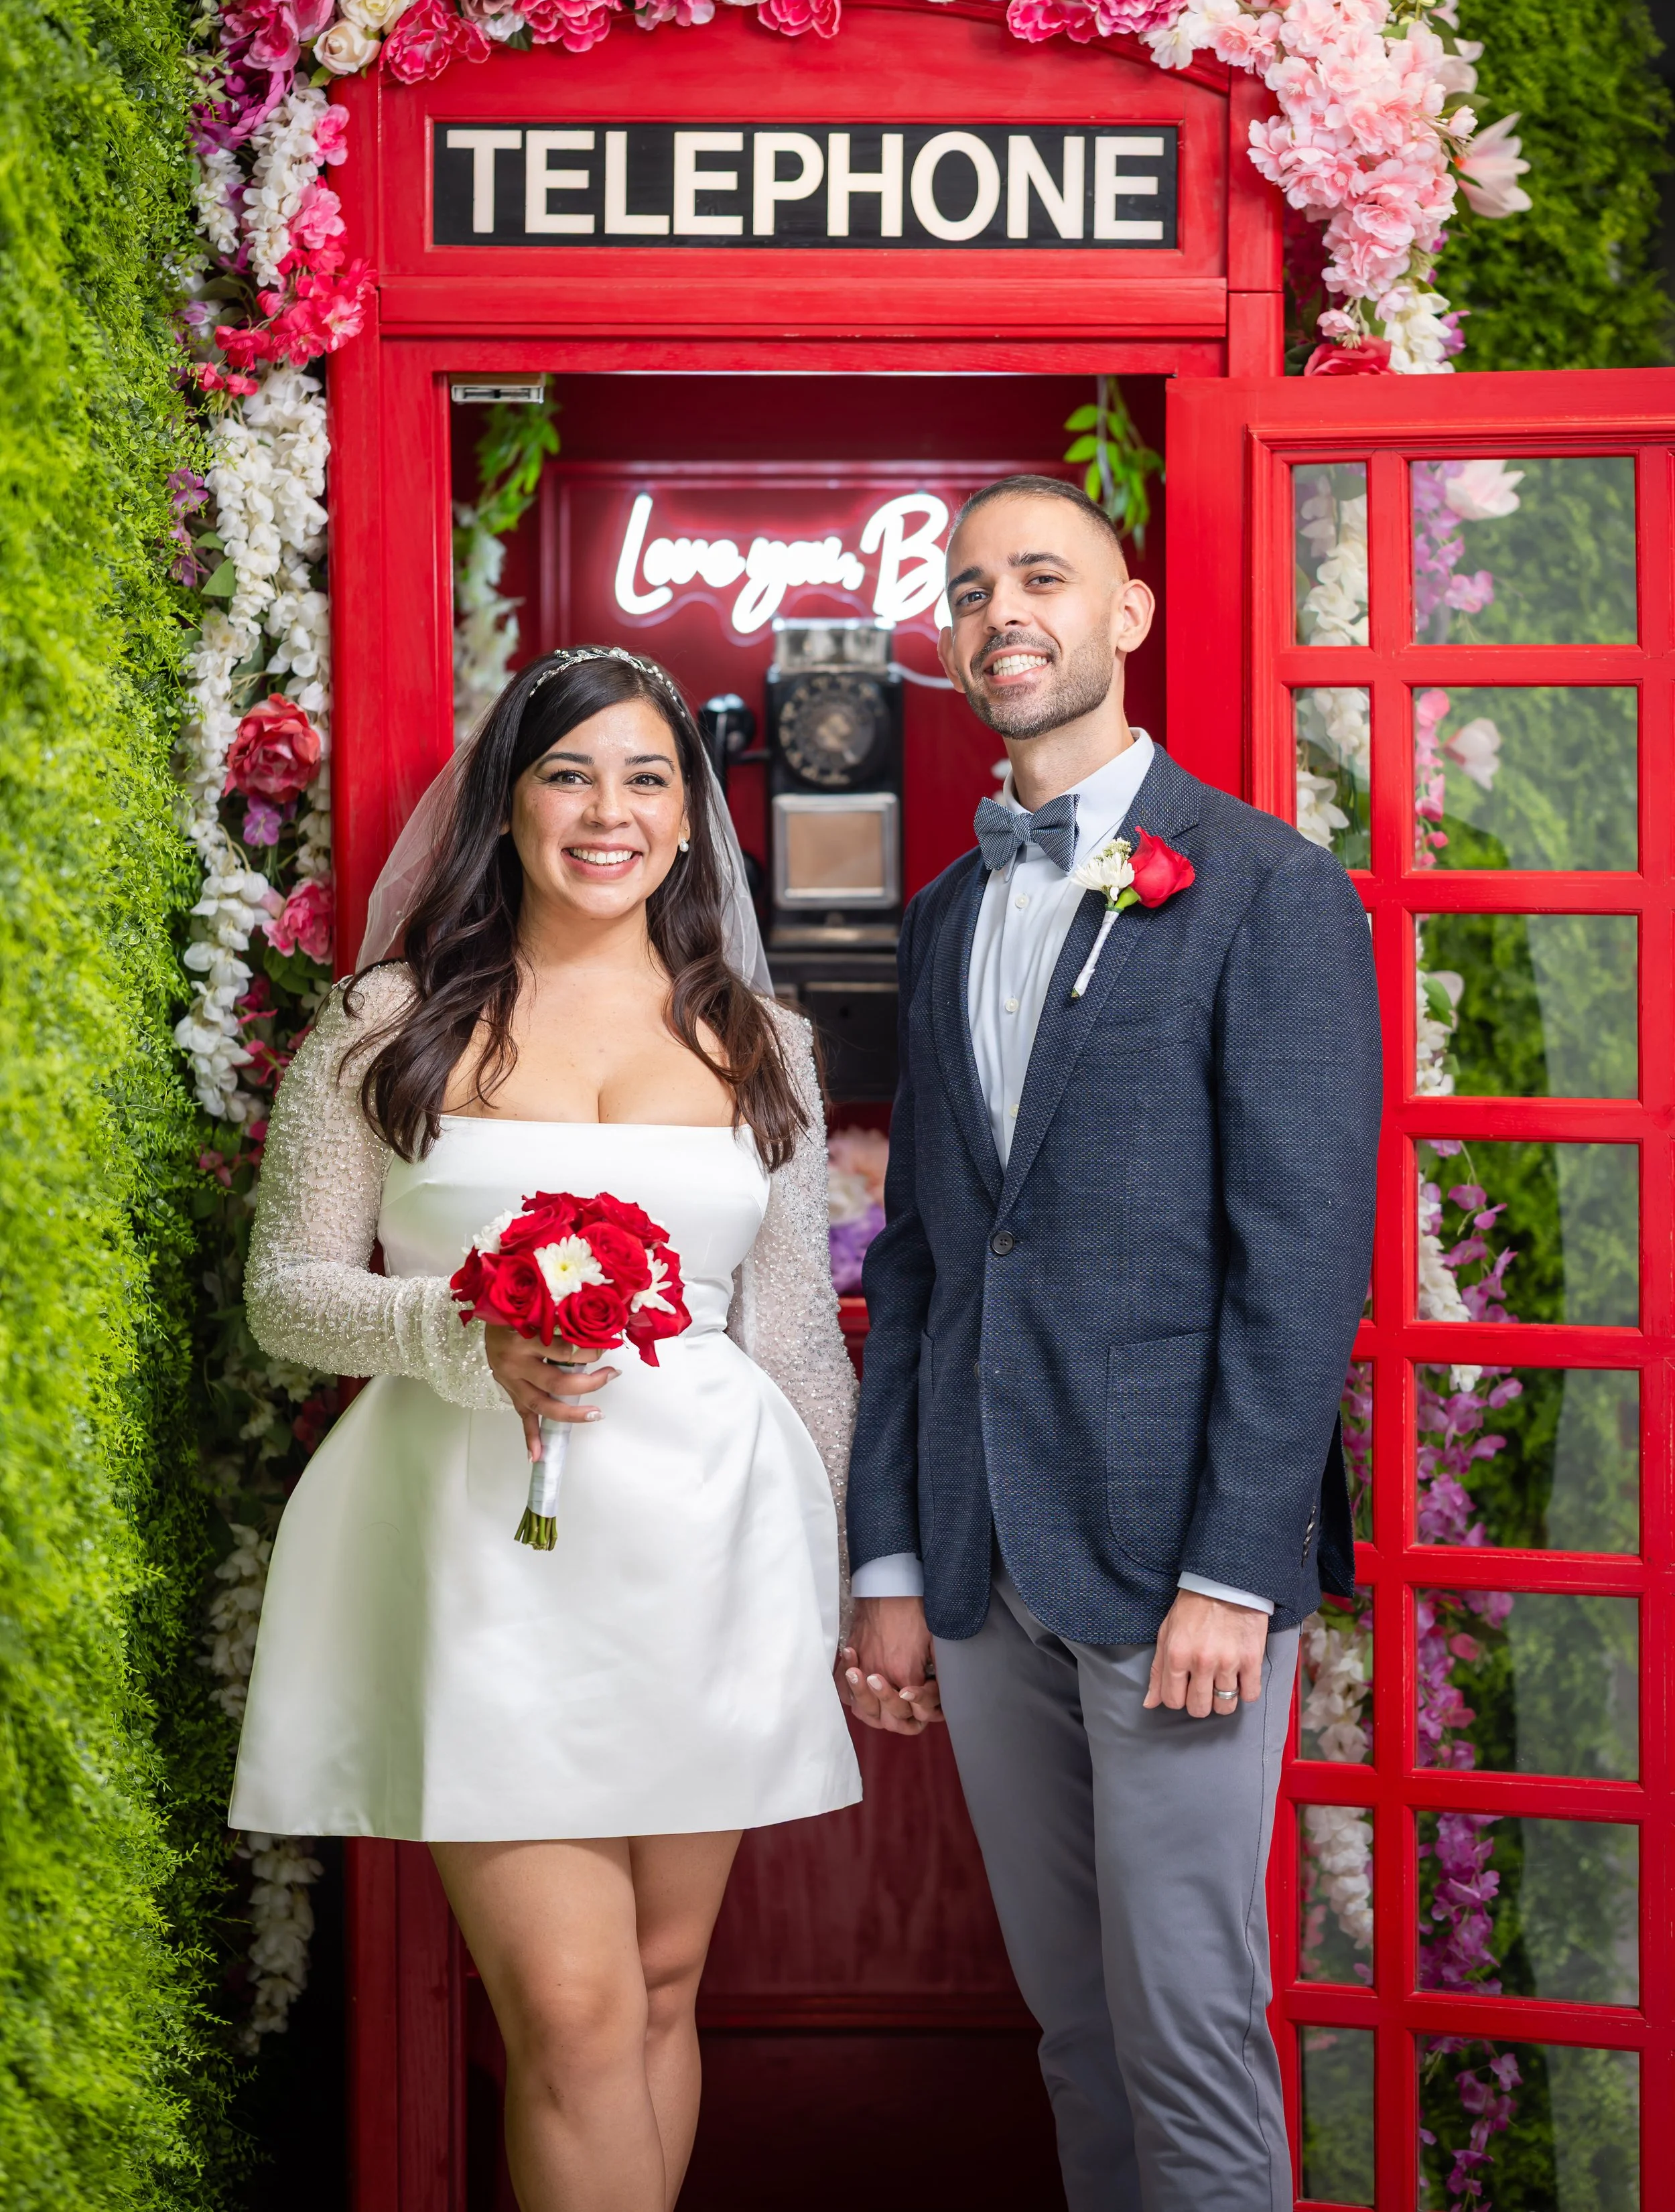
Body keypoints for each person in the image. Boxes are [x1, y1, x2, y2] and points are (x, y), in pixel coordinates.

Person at [230, 644, 860, 2212]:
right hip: (476, 1554)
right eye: (569, 774)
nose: (609, 811)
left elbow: (787, 1332)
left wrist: (840, 1583)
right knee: (572, 2013)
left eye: (647, 777)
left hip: (710, 1548)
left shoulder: (757, 1035)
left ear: (688, 812)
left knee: (656, 1984)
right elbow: (287, 1294)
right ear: (504, 806)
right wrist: (458, 1332)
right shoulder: (392, 1021)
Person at [842, 476, 1381, 2212]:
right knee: (1072, 2027)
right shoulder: (937, 917)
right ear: (945, 638)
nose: (1003, 608)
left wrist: (1237, 1566)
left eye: (1044, 577)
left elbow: (1298, 1265)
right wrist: (892, 1555)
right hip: (988, 1565)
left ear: (1124, 616)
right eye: (971, 584)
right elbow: (924, 1257)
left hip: (1176, 1575)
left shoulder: (1261, 889)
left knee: (1189, 2024)